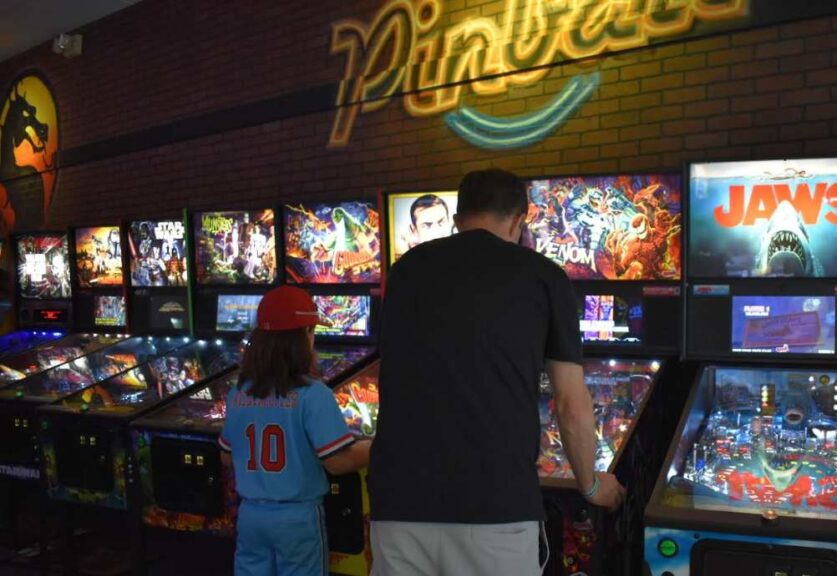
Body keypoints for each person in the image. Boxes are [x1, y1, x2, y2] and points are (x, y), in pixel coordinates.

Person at [370, 169, 625, 576]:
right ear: (519, 221)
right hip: (494, 508)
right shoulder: (544, 276)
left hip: (398, 506)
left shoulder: (404, 272)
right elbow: (571, 403)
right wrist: (590, 484)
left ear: (457, 218)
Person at [219, 285, 371, 576]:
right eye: (312, 331)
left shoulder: (239, 391)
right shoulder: (313, 394)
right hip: (296, 518)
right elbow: (337, 462)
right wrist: (380, 445)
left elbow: (227, 457)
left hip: (250, 514)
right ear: (302, 337)